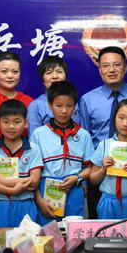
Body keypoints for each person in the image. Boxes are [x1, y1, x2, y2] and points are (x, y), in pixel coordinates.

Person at [78, 46, 127, 218]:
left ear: (125, 68)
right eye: (106, 66)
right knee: (100, 225)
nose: (111, 70)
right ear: (100, 70)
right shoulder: (88, 99)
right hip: (100, 170)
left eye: (117, 65)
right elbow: (85, 138)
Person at [31, 81, 93, 224]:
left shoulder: (83, 135)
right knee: (49, 233)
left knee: (74, 232)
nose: (64, 111)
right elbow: (32, 173)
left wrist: (77, 177)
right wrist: (39, 200)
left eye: (69, 106)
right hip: (46, 190)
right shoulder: (39, 134)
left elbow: (91, 168)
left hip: (74, 189)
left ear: (75, 106)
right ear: (50, 105)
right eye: (59, 106)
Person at [0, 99, 43, 227]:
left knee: (28, 239)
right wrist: (13, 190)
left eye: (17, 122)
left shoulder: (34, 149)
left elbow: (34, 181)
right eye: (6, 122)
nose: (11, 126)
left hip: (25, 204)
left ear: (26, 123)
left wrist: (2, 180)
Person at [89, 99, 127, 219]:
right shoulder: (104, 144)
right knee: (107, 232)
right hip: (108, 200)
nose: (125, 123)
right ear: (114, 119)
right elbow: (93, 180)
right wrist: (103, 170)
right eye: (121, 118)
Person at [28, 56, 69, 135]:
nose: (55, 76)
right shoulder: (36, 105)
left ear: (66, 77)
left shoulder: (74, 102)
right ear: (43, 80)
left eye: (59, 71)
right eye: (49, 73)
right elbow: (34, 138)